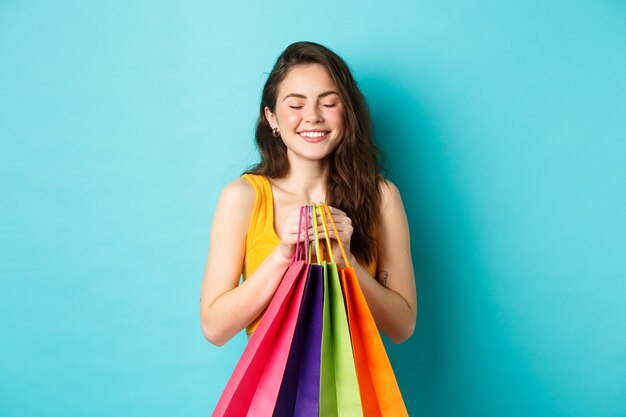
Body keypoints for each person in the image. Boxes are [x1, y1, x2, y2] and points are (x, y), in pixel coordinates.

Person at [199, 41, 416, 347]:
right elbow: (214, 328)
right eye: (296, 105)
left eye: (329, 103)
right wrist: (282, 256)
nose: (313, 116)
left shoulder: (382, 197)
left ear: (347, 112)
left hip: (358, 394)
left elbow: (402, 326)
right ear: (272, 118)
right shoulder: (242, 197)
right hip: (272, 394)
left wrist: (348, 263)